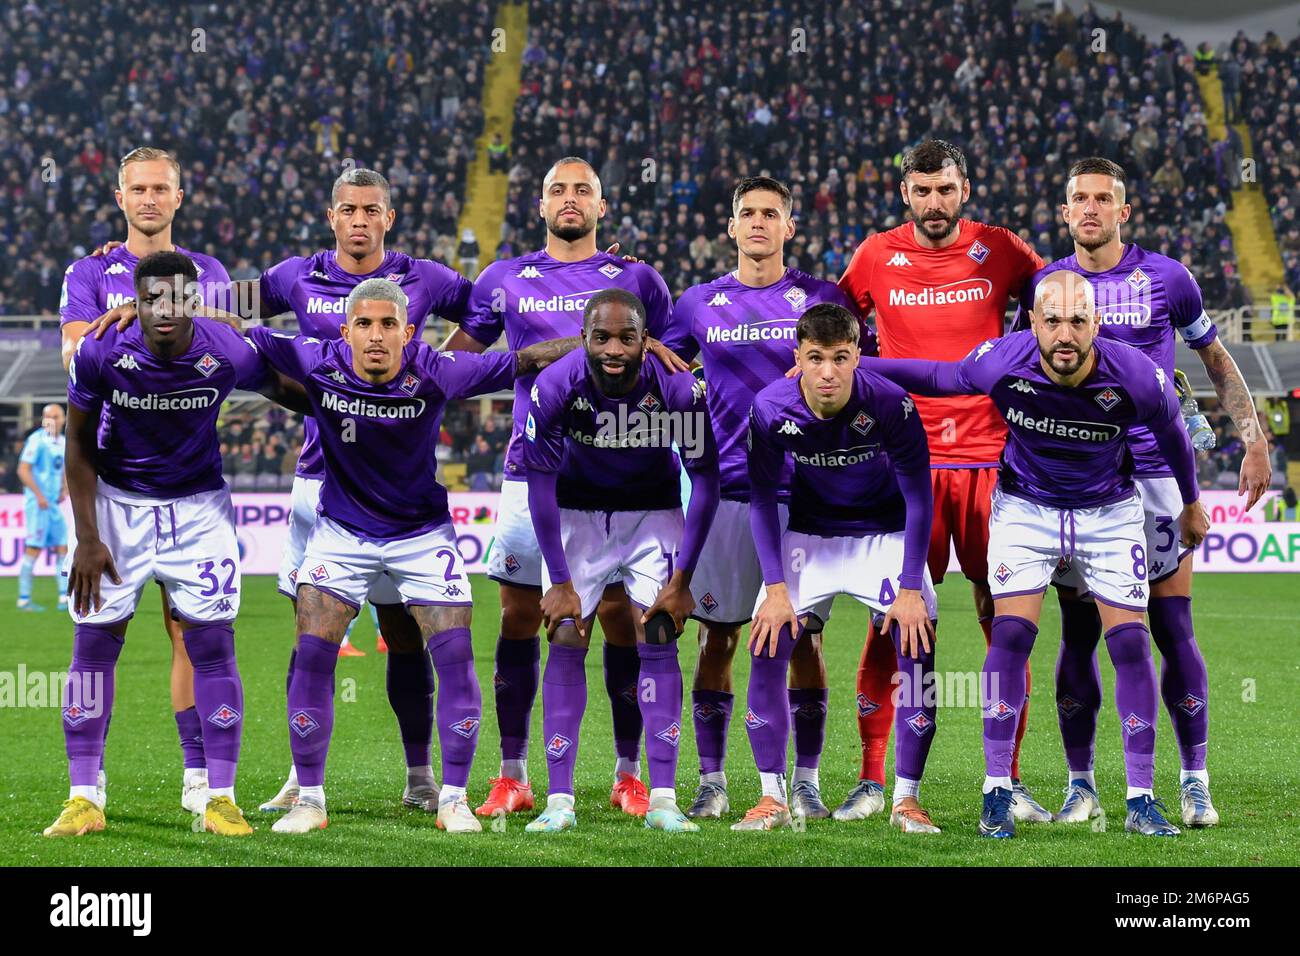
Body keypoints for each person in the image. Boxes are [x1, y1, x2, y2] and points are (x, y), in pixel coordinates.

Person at [872, 270, 1209, 838]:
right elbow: (933, 375)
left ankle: (1140, 798)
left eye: (1078, 322)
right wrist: (860, 366)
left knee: (1130, 641)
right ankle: (997, 790)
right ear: (1032, 322)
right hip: (1026, 508)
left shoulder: (1135, 376)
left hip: (1109, 511)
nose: (1065, 335)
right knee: (1010, 636)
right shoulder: (1003, 361)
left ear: (1096, 323)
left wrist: (1192, 503)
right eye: (1052, 321)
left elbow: (1174, 431)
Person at [241, 278, 578, 834]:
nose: (376, 336)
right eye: (365, 325)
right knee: (312, 651)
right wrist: (153, 308)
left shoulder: (438, 369)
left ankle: (452, 798)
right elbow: (234, 334)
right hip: (341, 532)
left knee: (455, 654)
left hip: (422, 535)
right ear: (345, 332)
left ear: (410, 331)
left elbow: (528, 358)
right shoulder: (317, 359)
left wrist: (610, 339)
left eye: (389, 325)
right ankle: (310, 798)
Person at [1017, 157, 1271, 828]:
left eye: (1104, 198)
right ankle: (1081, 786)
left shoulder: (1166, 278)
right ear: (1065, 211)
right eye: (1080, 198)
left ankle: (1193, 780)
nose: (1091, 208)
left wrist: (1253, 437)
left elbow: (1215, 360)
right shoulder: (1044, 286)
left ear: (1124, 211)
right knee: (1077, 632)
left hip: (1158, 473)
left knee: (1170, 624)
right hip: (1081, 476)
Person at [438, 156, 686, 820]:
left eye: (582, 190)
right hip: (534, 475)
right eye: (557, 190)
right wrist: (526, 360)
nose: (569, 199)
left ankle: (630, 774)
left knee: (619, 620)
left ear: (602, 207)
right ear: (540, 206)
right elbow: (452, 366)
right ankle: (513, 773)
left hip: (626, 476)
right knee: (526, 616)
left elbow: (675, 356)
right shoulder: (504, 278)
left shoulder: (637, 277)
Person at [45, 251, 304, 838]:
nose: (165, 310)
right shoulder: (102, 349)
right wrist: (87, 537)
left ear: (194, 299)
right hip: (117, 504)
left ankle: (219, 796)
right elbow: (78, 445)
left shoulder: (225, 348)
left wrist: (351, 407)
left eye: (177, 298)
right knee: (94, 645)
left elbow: (286, 387)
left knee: (212, 646)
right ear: (135, 302)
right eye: (151, 298)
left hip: (198, 509)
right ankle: (84, 795)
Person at [836, 139, 1049, 823]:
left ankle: (1008, 780)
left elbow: (1057, 298)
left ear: (965, 188)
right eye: (922, 191)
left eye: (946, 190)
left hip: (994, 462)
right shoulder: (875, 254)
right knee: (891, 625)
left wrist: (1014, 359)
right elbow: (838, 325)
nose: (935, 203)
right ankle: (878, 781)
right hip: (904, 465)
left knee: (1006, 624)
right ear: (905, 192)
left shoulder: (1002, 249)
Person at [659, 176, 874, 819]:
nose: (758, 223)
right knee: (718, 641)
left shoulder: (821, 298)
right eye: (747, 213)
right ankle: (713, 777)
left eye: (770, 214)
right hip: (725, 491)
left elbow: (857, 370)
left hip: (804, 495)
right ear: (731, 227)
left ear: (789, 227)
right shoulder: (699, 303)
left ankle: (802, 779)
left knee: (800, 639)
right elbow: (662, 365)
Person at [61, 146, 232, 814]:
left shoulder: (209, 272)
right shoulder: (90, 269)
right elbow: (76, 346)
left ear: (179, 197)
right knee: (99, 637)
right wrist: (144, 312)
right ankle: (85, 789)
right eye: (139, 189)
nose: (150, 199)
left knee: (190, 632)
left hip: (190, 480)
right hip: (112, 481)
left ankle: (200, 781)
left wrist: (166, 308)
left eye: (162, 189)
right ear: (120, 197)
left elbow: (231, 336)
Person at [523, 288, 720, 832]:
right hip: (576, 515)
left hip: (651, 513)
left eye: (627, 338)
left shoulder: (677, 389)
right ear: (584, 338)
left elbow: (704, 482)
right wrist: (559, 579)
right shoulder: (557, 384)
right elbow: (539, 486)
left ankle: (662, 799)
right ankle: (559, 801)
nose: (614, 349)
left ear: (644, 341)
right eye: (602, 337)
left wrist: (681, 579)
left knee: (657, 634)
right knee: (565, 633)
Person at [740, 304, 938, 832]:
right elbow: (761, 499)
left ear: (857, 356)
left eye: (840, 358)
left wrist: (912, 587)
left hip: (885, 534)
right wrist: (776, 588)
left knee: (917, 643)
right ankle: (771, 797)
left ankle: (907, 799)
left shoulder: (891, 404)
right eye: (816, 358)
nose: (827, 373)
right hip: (811, 535)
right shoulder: (770, 408)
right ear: (797, 358)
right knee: (767, 636)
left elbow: (920, 496)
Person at [17, 405, 68, 612]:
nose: (52, 420)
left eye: (55, 417)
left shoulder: (63, 442)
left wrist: (64, 488)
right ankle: (24, 599)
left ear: (63, 419)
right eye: (48, 417)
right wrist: (38, 495)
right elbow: (23, 469)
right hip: (38, 504)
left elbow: (63, 469)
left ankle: (64, 598)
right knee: (34, 548)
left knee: (63, 547)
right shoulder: (36, 441)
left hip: (53, 504)